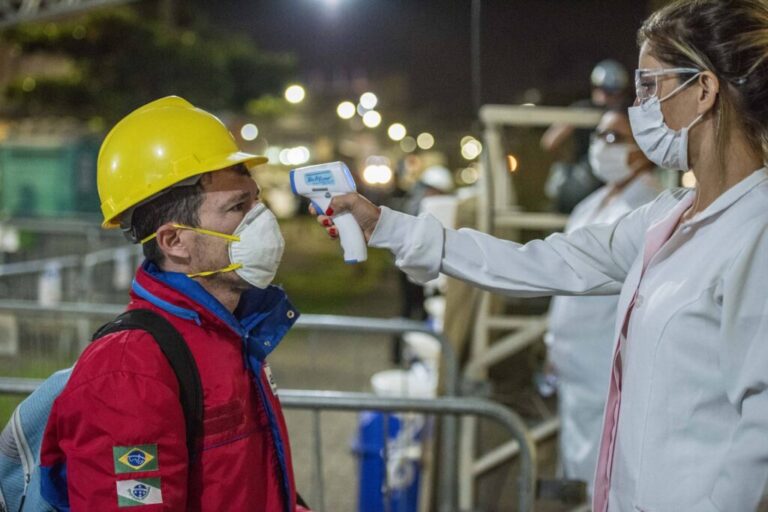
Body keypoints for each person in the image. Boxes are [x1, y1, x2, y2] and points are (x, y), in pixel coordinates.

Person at [315, 1, 768, 510]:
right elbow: (539, 262)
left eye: (651, 86)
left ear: (704, 90)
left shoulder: (756, 232)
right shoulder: (668, 218)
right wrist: (389, 227)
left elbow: (761, 438)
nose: (640, 107)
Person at [39, 96, 310, 511]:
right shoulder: (130, 371)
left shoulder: (232, 333)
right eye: (238, 207)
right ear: (174, 240)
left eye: (255, 199)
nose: (262, 218)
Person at [544, 107, 662, 497]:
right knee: (578, 468)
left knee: (606, 473)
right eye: (598, 136)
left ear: (642, 147)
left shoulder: (649, 206)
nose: (600, 146)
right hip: (573, 367)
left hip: (606, 366)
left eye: (613, 137)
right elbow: (562, 276)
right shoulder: (590, 204)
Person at [541, 59, 630, 213]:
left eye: (611, 92)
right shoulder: (620, 112)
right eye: (604, 90)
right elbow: (550, 141)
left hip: (604, 181)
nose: (606, 97)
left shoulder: (583, 109)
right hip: (603, 181)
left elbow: (549, 142)